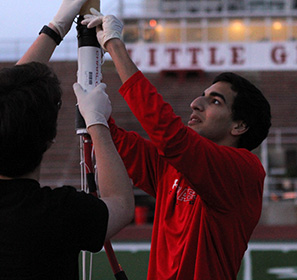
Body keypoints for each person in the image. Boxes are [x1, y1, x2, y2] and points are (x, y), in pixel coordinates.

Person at [80, 10, 272, 280]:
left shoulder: (245, 170)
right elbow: (121, 145)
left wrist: (115, 46)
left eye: (215, 101)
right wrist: (94, 104)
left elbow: (169, 134)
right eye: (202, 95)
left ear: (239, 126)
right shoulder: (174, 167)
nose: (196, 103)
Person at [0, 1, 134, 279]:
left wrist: (55, 28)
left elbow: (10, 97)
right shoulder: (57, 213)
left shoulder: (53, 211)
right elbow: (121, 202)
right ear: (50, 139)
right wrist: (96, 122)